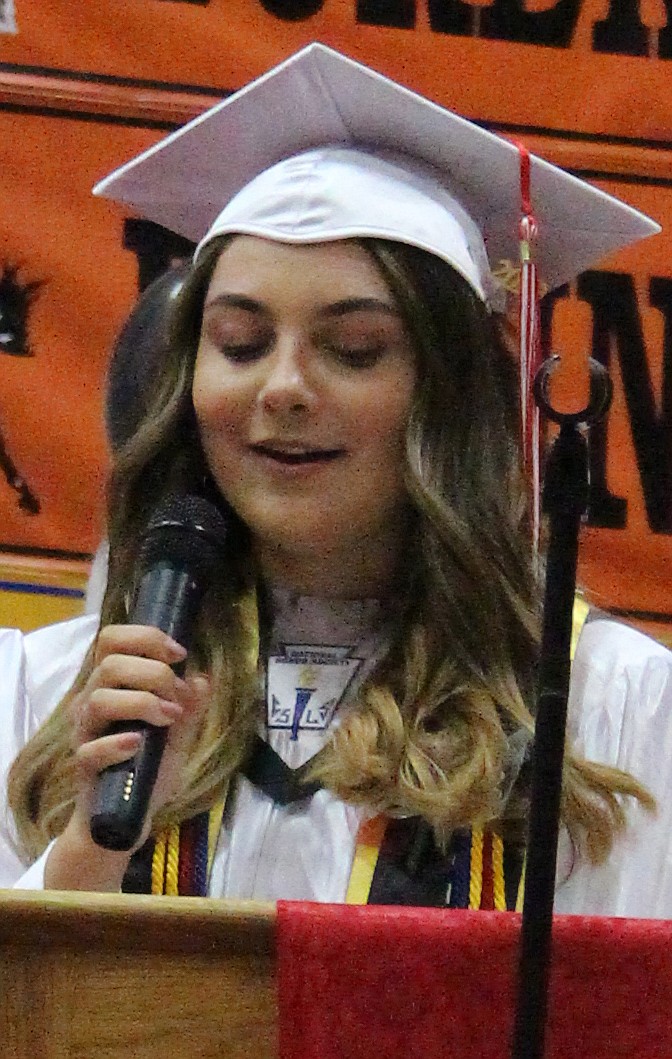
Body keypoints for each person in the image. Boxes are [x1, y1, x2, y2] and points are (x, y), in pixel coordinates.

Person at [1, 44, 671, 915]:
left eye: (354, 350)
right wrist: (87, 853)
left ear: (449, 394)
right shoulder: (52, 697)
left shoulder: (603, 708)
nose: (281, 388)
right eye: (240, 344)